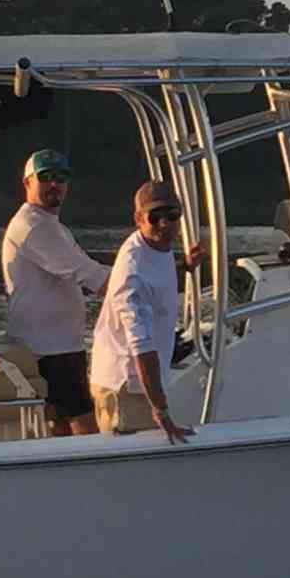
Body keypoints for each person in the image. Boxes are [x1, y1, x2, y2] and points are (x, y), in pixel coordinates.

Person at [1, 148, 111, 435]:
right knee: (86, 426)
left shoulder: (50, 225)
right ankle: (96, 477)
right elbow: (95, 278)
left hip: (57, 346)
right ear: (27, 183)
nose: (54, 184)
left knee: (60, 425)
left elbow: (88, 272)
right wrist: (145, 282)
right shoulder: (35, 227)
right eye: (46, 177)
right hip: (51, 349)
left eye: (61, 177)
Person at [90, 179, 204, 445]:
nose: (164, 223)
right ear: (139, 219)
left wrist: (185, 266)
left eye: (172, 215)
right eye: (155, 217)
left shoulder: (154, 247)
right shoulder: (132, 273)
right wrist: (161, 410)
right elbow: (142, 348)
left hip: (140, 385)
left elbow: (156, 280)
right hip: (125, 389)